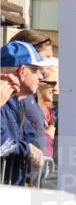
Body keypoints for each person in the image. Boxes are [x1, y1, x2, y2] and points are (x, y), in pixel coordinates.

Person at [1, 41, 54, 186]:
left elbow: (32, 138)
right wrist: (27, 150)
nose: (40, 76)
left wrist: (33, 150)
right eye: (36, 70)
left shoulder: (17, 102)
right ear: (22, 71)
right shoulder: (3, 101)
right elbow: (2, 143)